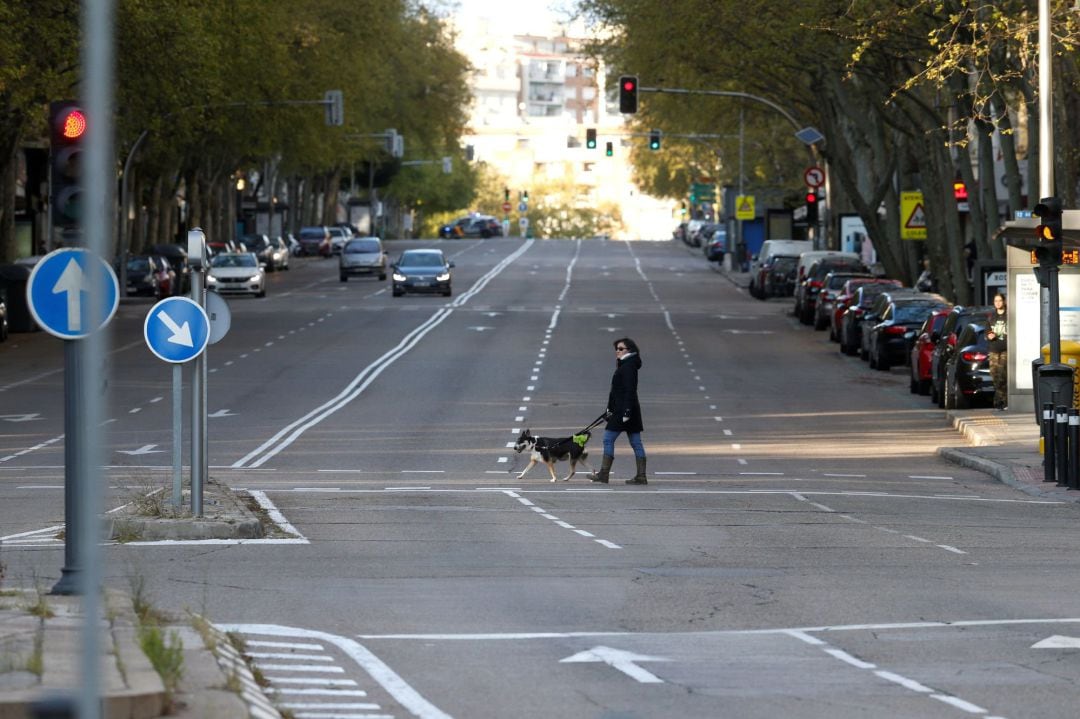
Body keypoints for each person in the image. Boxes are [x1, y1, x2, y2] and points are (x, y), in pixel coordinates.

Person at [589, 338, 648, 484]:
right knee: (636, 442)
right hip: (626, 410)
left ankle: (604, 474)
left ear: (630, 350)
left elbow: (630, 390)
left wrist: (626, 411)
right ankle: (641, 476)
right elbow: (615, 392)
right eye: (616, 348)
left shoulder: (628, 366)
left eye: (621, 349)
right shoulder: (627, 364)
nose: (617, 351)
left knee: (608, 439)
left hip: (624, 411)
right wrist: (609, 409)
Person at [987, 292, 1008, 410]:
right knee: (994, 375)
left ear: (1004, 301)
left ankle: (1001, 401)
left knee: (1002, 376)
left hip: (1005, 350)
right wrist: (990, 334)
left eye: (1000, 300)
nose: (998, 303)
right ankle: (1000, 400)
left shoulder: (1008, 316)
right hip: (994, 349)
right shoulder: (992, 316)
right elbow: (987, 329)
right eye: (996, 301)